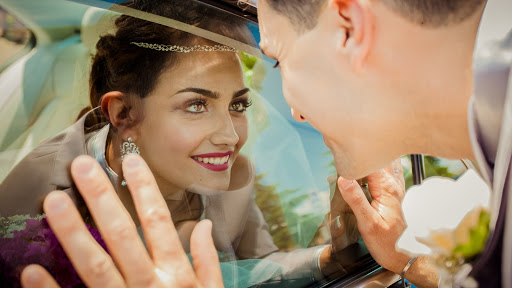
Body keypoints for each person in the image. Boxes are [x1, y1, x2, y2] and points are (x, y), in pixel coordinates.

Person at [21, 0, 511, 287]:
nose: (292, 112)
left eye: (278, 60)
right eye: (196, 104)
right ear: (123, 115)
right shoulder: (36, 195)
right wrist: (405, 262)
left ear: (349, 27)